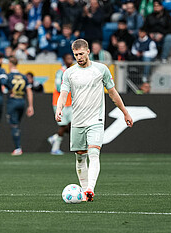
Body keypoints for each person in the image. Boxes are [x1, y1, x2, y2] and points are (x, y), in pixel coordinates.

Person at [55, 39, 133, 202]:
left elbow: (112, 93)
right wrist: (60, 107)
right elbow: (64, 93)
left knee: (94, 153)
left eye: (81, 54)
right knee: (80, 157)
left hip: (95, 119)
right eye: (76, 55)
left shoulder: (101, 69)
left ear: (88, 52)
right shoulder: (69, 73)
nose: (79, 57)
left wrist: (125, 112)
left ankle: (90, 189)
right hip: (77, 120)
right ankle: (84, 192)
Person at [6, 57, 34, 156]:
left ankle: (18, 148)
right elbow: (29, 91)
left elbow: (3, 88)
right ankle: (18, 147)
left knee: (14, 125)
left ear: (10, 64)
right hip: (22, 101)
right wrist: (30, 106)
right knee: (17, 124)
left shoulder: (8, 76)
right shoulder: (23, 76)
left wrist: (10, 91)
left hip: (13, 102)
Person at [48, 53, 74, 155]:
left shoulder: (71, 71)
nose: (70, 60)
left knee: (73, 124)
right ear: (63, 60)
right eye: (68, 58)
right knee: (63, 126)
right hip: (60, 103)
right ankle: (55, 148)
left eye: (71, 58)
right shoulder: (60, 72)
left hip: (70, 103)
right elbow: (59, 87)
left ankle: (54, 138)